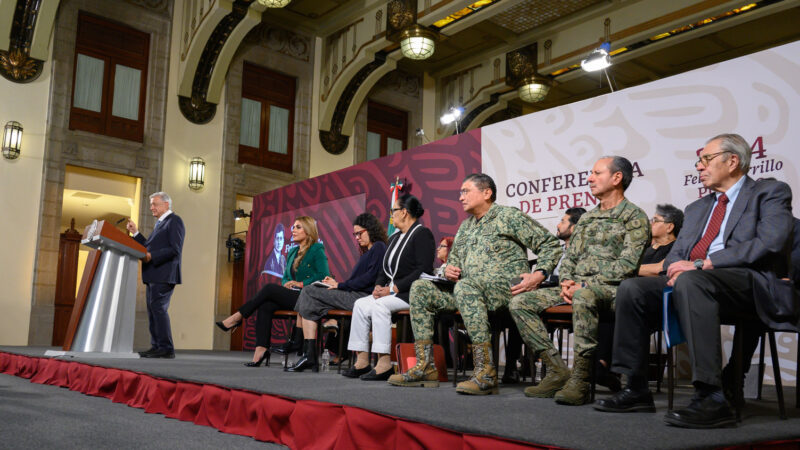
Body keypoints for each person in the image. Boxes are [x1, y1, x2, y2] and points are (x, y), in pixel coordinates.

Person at [595, 134, 796, 429]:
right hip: (699, 279)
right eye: (699, 162)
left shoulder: (769, 192)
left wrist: (705, 264)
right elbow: (677, 253)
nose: (700, 167)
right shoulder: (697, 208)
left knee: (693, 281)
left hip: (747, 280)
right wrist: (677, 268)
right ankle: (635, 387)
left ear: (733, 161)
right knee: (632, 288)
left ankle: (712, 396)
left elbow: (771, 241)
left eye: (706, 160)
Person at [388, 173, 562, 394]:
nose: (460, 197)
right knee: (420, 288)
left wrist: (539, 274)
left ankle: (485, 371)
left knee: (466, 287)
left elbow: (550, 244)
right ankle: (425, 366)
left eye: (465, 191)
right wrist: (447, 269)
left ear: (487, 193)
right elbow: (453, 262)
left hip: (505, 290)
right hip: (468, 291)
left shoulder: (508, 216)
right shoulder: (466, 226)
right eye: (460, 192)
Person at [510, 156, 650, 405]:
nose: (589, 178)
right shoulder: (586, 218)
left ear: (617, 178)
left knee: (585, 297)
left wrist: (584, 286)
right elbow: (571, 258)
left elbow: (627, 266)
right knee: (520, 303)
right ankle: (556, 370)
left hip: (613, 291)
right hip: (575, 287)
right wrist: (566, 282)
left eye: (597, 173)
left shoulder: (634, 217)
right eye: (590, 173)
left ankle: (581, 379)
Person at [344, 194, 436, 380]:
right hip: (390, 292)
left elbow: (423, 269)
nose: (391, 215)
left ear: (404, 212)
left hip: (410, 293)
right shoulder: (394, 238)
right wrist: (379, 285)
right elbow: (384, 270)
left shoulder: (422, 234)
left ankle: (384, 364)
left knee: (380, 306)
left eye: (394, 210)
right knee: (361, 305)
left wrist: (394, 289)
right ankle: (361, 361)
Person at [216, 216, 329, 367]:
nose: (293, 230)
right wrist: (286, 283)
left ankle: (237, 317)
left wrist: (301, 283)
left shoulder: (316, 249)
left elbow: (323, 276)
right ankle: (261, 349)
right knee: (266, 305)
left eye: (298, 227)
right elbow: (286, 277)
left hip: (307, 296)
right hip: (292, 294)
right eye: (293, 227)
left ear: (308, 231)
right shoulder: (292, 251)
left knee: (269, 288)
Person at [286, 213, 388, 372]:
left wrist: (339, 285)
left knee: (308, 292)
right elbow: (359, 280)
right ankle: (308, 353)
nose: (357, 238)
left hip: (363, 298)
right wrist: (332, 284)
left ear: (371, 230)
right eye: (355, 234)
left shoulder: (379, 247)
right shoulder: (368, 251)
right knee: (310, 295)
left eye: (360, 233)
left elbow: (370, 279)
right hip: (355, 294)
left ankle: (304, 349)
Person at [504, 207, 587, 385]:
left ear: (574, 227)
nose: (558, 225)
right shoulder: (554, 251)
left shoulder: (584, 250)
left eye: (563, 221)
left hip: (567, 292)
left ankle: (552, 365)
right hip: (546, 290)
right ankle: (514, 365)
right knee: (516, 300)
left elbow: (577, 278)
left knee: (524, 303)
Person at [126, 192, 185, 359]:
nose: (151, 207)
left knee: (158, 309)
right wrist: (136, 233)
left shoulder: (174, 221)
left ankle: (166, 348)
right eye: (151, 204)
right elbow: (148, 248)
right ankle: (157, 346)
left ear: (166, 205)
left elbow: (175, 249)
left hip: (165, 274)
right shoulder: (160, 224)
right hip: (154, 274)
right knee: (153, 310)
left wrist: (153, 256)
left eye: (155, 204)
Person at [638, 204, 683, 277]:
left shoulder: (677, 248)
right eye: (651, 220)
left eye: (655, 220)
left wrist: (625, 269)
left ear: (669, 227)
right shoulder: (645, 246)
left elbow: (661, 269)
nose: (650, 223)